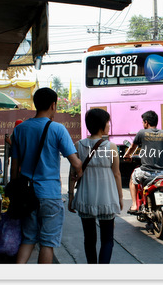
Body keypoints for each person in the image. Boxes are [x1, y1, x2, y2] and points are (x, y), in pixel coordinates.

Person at [10, 87, 83, 264]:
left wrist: (15, 193)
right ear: (53, 105)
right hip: (50, 194)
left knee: (27, 239)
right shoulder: (58, 129)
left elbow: (14, 168)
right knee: (47, 244)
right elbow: (75, 163)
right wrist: (82, 168)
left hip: (26, 195)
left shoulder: (20, 130)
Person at [68, 108, 123, 264]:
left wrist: (71, 195)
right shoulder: (111, 147)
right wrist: (119, 197)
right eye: (107, 122)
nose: (109, 125)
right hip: (106, 197)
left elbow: (73, 174)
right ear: (102, 125)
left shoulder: (78, 145)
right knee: (107, 240)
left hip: (86, 196)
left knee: (89, 239)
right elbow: (117, 174)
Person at [123, 110, 163, 213]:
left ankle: (134, 205)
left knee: (133, 179)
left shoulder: (142, 133)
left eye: (143, 122)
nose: (142, 124)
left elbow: (132, 147)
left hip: (146, 173)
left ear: (146, 122)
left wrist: (127, 155)